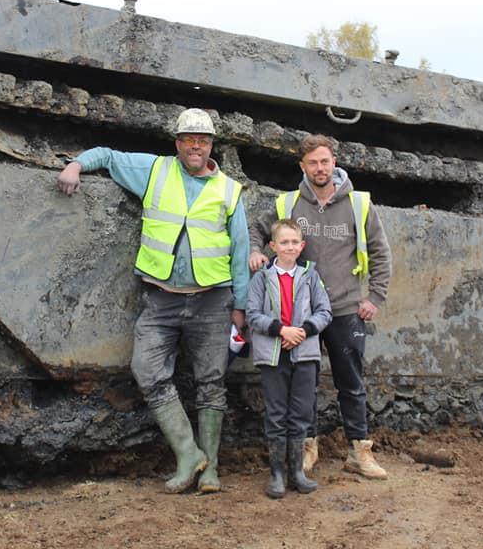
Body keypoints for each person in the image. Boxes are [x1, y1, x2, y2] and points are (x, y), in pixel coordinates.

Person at [57, 108, 249, 494]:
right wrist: (76, 164)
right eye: (189, 139)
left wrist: (240, 307)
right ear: (177, 142)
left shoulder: (229, 189)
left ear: (212, 145)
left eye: (204, 140)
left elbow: (240, 252)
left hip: (212, 301)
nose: (196, 145)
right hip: (161, 299)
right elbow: (109, 157)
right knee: (146, 369)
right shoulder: (155, 170)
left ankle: (210, 470)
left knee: (211, 382)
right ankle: (188, 453)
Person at [249, 134, 392, 479]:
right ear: (302, 166)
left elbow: (380, 251)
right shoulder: (288, 204)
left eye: (325, 161)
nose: (320, 168)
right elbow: (257, 227)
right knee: (303, 382)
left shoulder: (358, 204)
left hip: (345, 308)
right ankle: (307, 448)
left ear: (334, 162)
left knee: (351, 382)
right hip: (303, 315)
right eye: (312, 162)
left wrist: (374, 297)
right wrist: (256, 251)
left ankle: (360, 451)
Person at [247, 219, 332, 498]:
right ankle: (277, 473)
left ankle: (297, 471)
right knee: (276, 413)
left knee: (301, 412)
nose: (290, 247)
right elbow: (253, 314)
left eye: (295, 242)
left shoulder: (310, 276)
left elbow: (324, 312)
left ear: (302, 246)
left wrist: (302, 332)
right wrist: (281, 330)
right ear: (273, 246)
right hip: (273, 355)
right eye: (284, 242)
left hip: (304, 353)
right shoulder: (261, 277)